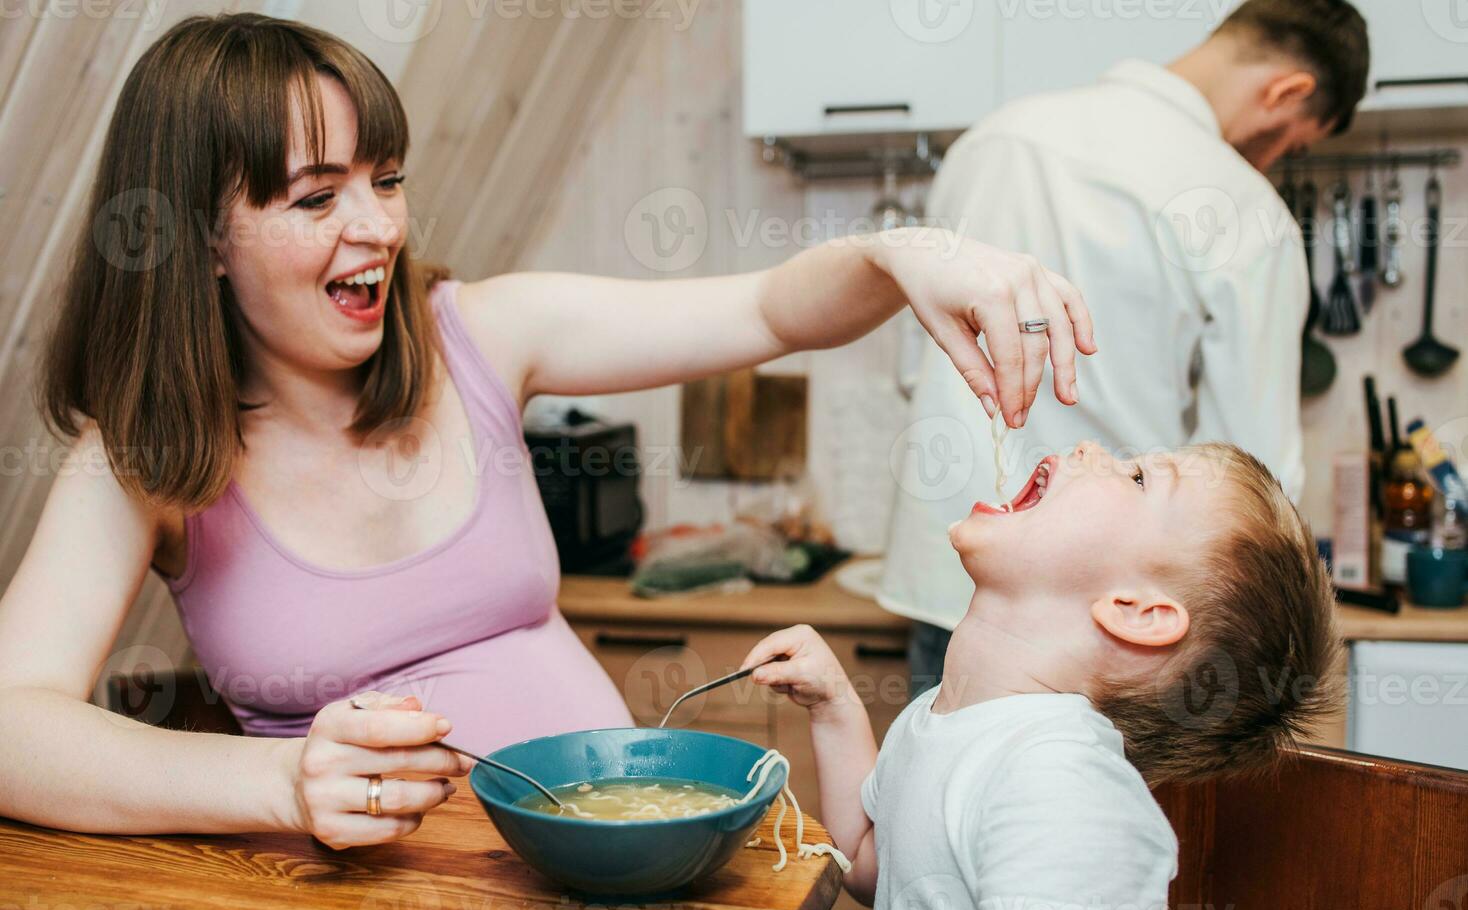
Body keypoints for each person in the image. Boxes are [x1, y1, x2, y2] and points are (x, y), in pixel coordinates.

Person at [0, 13, 1094, 850]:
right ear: (198, 238)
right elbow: (13, 726)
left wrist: (898, 257)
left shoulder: (480, 329)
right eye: (315, 198)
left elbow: (766, 310)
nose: (377, 227)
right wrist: (279, 785)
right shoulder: (140, 454)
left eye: (385, 181)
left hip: (605, 874)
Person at [880, 0, 1369, 696]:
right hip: (1106, 621)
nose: (1273, 157)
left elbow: (915, 358)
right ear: (1286, 91)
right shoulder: (1243, 209)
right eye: (1290, 141)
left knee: (933, 789)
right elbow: (1257, 473)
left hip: (949, 567)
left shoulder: (994, 139)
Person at [725, 440, 1338, 910]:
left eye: (1138, 478)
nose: (1091, 448)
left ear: (1136, 610)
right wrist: (836, 708)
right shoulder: (941, 722)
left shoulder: (1062, 786)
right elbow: (866, 867)